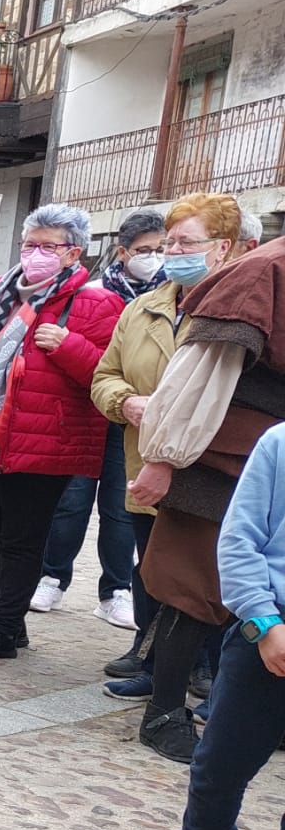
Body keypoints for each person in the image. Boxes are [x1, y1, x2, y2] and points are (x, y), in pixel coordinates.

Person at [0, 203, 122, 659]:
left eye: (47, 246)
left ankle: (2, 627)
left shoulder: (96, 302)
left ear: (73, 253)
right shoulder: (0, 292)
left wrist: (68, 345)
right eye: (29, 244)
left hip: (45, 440)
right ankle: (9, 614)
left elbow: (110, 373)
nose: (35, 253)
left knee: (21, 536)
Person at [131, 417, 285, 830]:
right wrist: (264, 625)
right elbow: (240, 539)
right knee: (221, 758)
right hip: (267, 625)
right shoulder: (278, 443)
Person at [126, 236, 285, 762]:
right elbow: (194, 379)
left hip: (273, 461)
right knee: (192, 591)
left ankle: (258, 715)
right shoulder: (264, 271)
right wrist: (164, 456)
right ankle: (164, 711)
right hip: (218, 463)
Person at [92, 195, 242, 728]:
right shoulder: (145, 306)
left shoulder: (237, 305)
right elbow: (105, 373)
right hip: (141, 458)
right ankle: (155, 665)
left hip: (204, 471)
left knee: (201, 576)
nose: (173, 252)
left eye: (185, 243)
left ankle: (208, 677)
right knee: (150, 566)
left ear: (222, 249)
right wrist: (125, 401)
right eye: (169, 243)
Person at [30, 209, 167, 624]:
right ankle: (52, 577)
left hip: (135, 418)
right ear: (122, 252)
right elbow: (102, 365)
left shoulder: (174, 297)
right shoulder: (92, 295)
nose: (155, 258)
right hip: (88, 413)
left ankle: (116, 588)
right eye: (145, 250)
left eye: (161, 249)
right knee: (70, 504)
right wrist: (70, 345)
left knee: (120, 507)